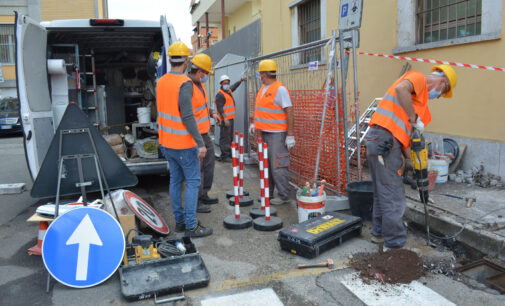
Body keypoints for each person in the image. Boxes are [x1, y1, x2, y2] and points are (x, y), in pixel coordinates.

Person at [365, 65, 457, 249]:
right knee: (393, 194)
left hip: (381, 140)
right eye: (442, 92)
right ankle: (395, 245)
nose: (438, 96)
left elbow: (408, 142)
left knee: (382, 191)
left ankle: (380, 234)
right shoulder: (417, 78)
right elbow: (401, 89)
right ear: (442, 82)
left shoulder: (422, 107)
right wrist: (414, 120)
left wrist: (418, 165)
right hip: (385, 140)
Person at [156, 41, 212, 238]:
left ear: (170, 59)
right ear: (186, 60)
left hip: (167, 143)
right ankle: (190, 225)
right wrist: (200, 143)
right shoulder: (184, 84)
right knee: (193, 182)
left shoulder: (161, 81)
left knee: (175, 182)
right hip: (184, 145)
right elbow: (187, 116)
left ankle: (180, 222)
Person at [249, 59, 295, 205]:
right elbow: (262, 111)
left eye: (260, 74)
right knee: (266, 165)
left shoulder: (280, 89)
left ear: (264, 74)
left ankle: (283, 195)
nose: (259, 76)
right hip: (265, 133)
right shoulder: (263, 89)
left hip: (277, 134)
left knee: (278, 165)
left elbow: (289, 111)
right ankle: (268, 193)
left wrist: (290, 135)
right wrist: (254, 124)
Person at [187, 53, 221, 212]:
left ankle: (204, 194)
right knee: (197, 169)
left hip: (204, 133)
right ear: (199, 72)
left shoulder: (200, 85)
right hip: (195, 136)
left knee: (209, 164)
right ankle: (197, 201)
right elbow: (187, 115)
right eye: (206, 73)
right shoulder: (188, 87)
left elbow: (204, 106)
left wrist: (212, 113)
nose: (207, 76)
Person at [214, 74, 247, 162]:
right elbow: (220, 108)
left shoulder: (228, 91)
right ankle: (224, 155)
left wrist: (241, 80)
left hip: (230, 119)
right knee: (225, 138)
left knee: (229, 137)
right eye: (225, 83)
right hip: (226, 120)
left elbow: (234, 87)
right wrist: (225, 118)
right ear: (221, 84)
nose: (227, 84)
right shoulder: (220, 95)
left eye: (228, 83)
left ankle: (228, 154)